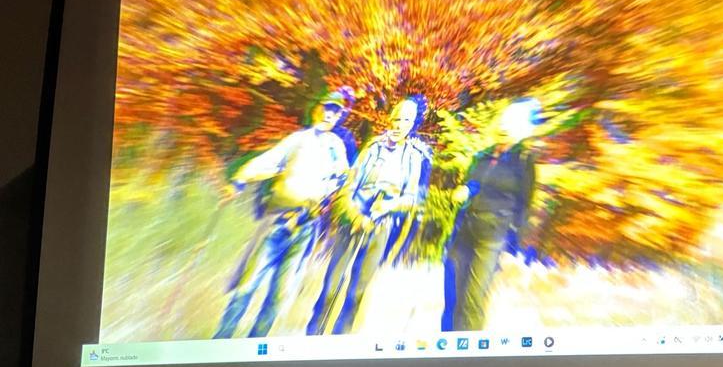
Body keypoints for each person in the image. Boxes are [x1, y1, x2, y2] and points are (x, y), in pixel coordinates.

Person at [213, 92, 350, 339]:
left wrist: (329, 198)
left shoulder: (337, 148)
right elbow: (270, 161)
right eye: (327, 108)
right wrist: (239, 181)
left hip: (306, 228)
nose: (330, 114)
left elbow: (342, 180)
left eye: (336, 111)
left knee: (279, 296)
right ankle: (220, 344)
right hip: (276, 221)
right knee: (247, 285)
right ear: (318, 109)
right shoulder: (298, 139)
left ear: (340, 116)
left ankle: (255, 351)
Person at [306, 96, 431, 336]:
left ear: (412, 124)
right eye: (397, 118)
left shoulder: (414, 157)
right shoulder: (373, 147)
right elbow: (349, 186)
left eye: (406, 120)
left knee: (357, 291)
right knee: (331, 287)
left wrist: (383, 209)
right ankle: (312, 340)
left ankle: (341, 343)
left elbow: (412, 198)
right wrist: (354, 215)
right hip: (352, 223)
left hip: (380, 227)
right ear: (390, 118)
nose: (399, 124)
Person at [441, 98, 539, 331]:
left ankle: (469, 359)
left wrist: (516, 242)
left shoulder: (524, 161)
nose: (505, 127)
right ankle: (443, 353)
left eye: (512, 124)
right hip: (464, 231)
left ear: (521, 130)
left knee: (473, 300)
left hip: (493, 237)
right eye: (503, 122)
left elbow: (525, 203)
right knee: (452, 298)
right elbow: (472, 183)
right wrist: (464, 189)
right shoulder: (481, 155)